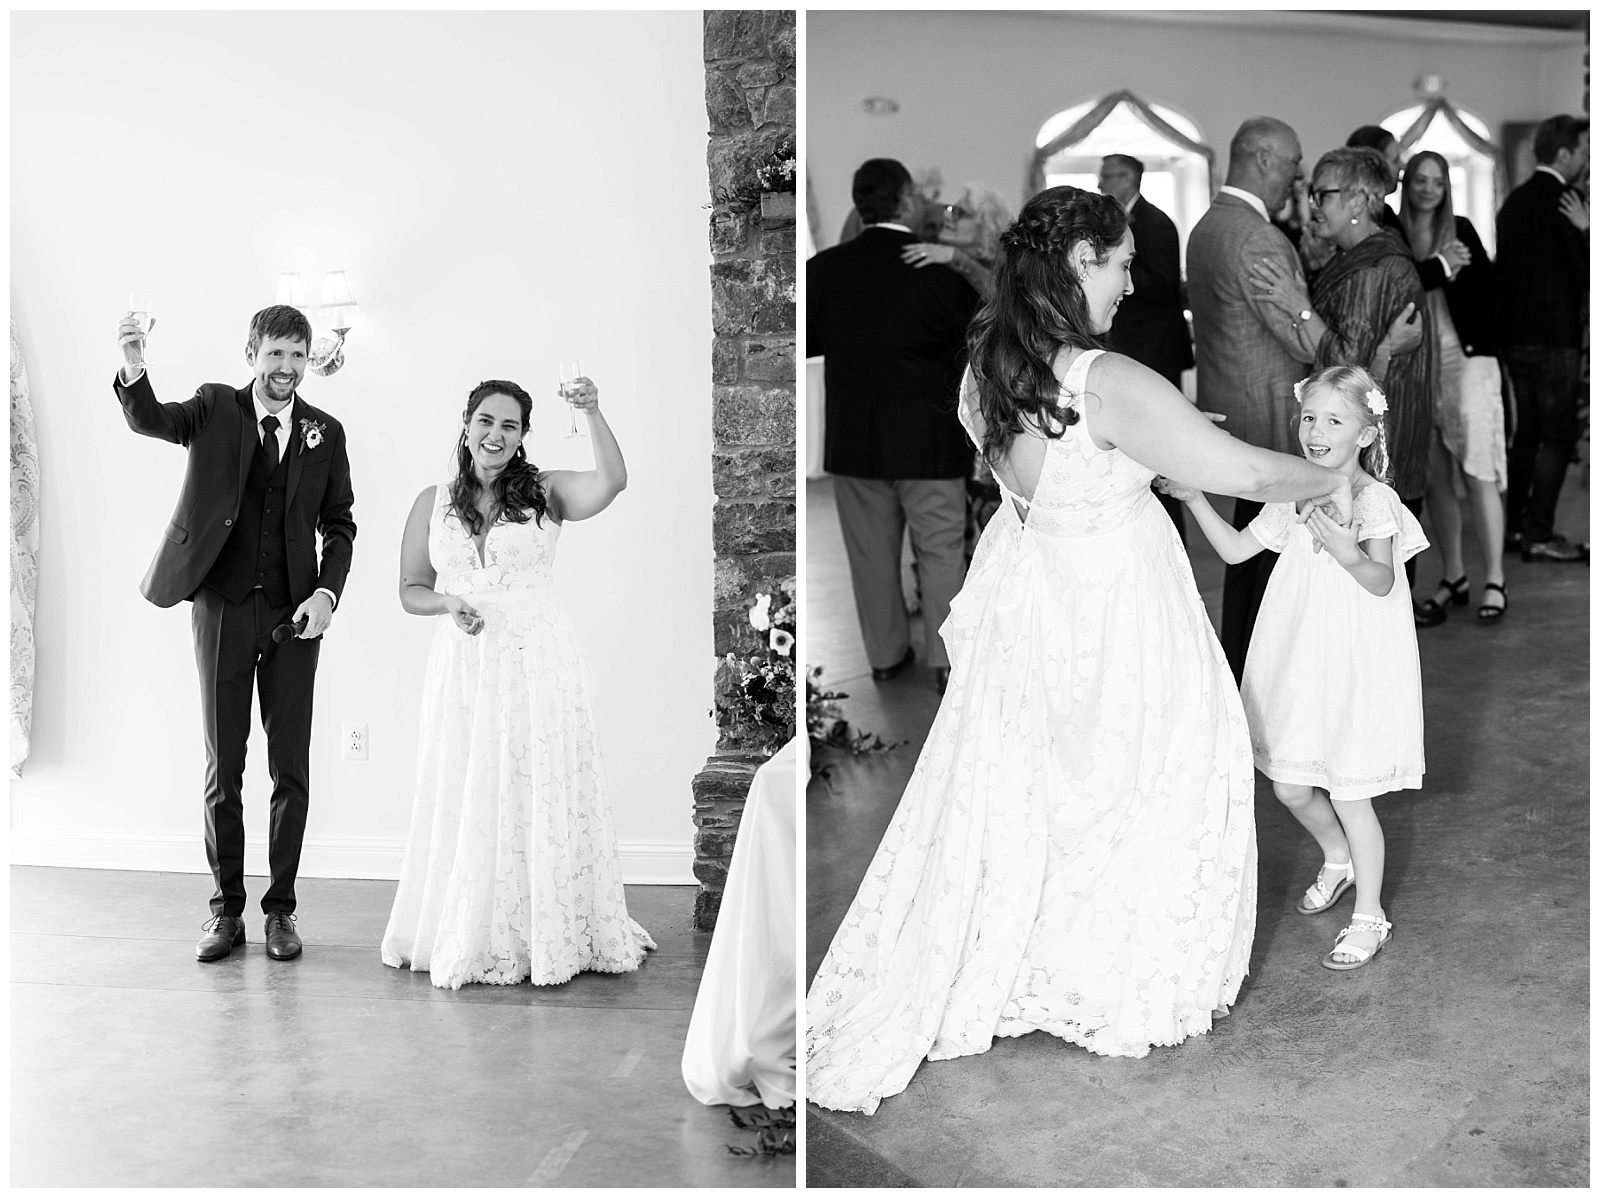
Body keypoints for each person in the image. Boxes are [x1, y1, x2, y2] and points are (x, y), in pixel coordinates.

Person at [806, 187, 1357, 1116]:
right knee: (1151, 768)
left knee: (1048, 782)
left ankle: (1036, 946)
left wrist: (1166, 443)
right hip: (1120, 607)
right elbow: (1256, 475)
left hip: (1040, 600)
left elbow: (1078, 461)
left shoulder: (986, 360)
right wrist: (1336, 472)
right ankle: (1110, 958)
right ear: (1079, 266)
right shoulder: (1106, 375)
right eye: (1120, 264)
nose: (1129, 282)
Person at [380, 378, 653, 989]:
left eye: (509, 425)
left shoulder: (547, 492)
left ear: (523, 436)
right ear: (466, 424)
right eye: (485, 420)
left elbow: (613, 481)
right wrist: (449, 602)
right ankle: (472, 924)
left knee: (535, 786)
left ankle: (546, 930)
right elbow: (409, 589)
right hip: (466, 670)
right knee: (471, 788)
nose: (494, 434)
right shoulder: (432, 501)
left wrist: (592, 410)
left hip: (538, 662)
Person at [1159, 365, 1426, 971]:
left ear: (1364, 434)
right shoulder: (1291, 495)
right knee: (1290, 784)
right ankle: (1338, 857)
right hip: (1302, 658)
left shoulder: (1374, 499)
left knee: (1352, 790)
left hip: (1355, 662)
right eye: (1309, 416)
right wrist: (1197, 497)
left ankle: (1370, 915)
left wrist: (1348, 553)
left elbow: (1383, 582)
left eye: (1335, 419)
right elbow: (1233, 550)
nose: (1316, 429)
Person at [113, 305, 356, 963]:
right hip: (220, 608)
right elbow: (151, 419)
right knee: (224, 767)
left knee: (291, 770)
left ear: (308, 360)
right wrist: (135, 367)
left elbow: (340, 525)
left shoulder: (324, 433)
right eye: (274, 354)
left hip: (293, 619)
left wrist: (327, 595)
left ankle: (281, 913)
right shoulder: (215, 407)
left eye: (296, 356)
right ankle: (225, 914)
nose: (285, 368)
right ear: (252, 351)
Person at [1187, 117, 1418, 680]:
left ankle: (1255, 668)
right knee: (1272, 567)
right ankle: (1273, 671)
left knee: (1262, 565)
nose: (1299, 183)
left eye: (1318, 188)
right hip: (1275, 414)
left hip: (1241, 408)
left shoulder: (1207, 226)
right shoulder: (1260, 237)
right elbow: (1317, 348)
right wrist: (1302, 307)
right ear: (1264, 159)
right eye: (1295, 168)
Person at [809, 158, 982, 694]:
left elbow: (810, 344)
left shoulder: (825, 270)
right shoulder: (937, 272)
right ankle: (947, 663)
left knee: (870, 559)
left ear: (860, 205)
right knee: (940, 553)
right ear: (907, 200)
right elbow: (983, 336)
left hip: (856, 441)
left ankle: (885, 659)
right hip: (930, 444)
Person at [1250, 146, 1436, 598]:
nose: (1312, 206)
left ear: (1358, 200)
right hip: (1361, 429)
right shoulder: (1355, 258)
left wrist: (1299, 307)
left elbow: (1346, 363)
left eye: (1322, 195)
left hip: (1371, 435)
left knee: (1371, 573)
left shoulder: (1375, 268)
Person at [1399, 151, 1508, 623]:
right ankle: (1455, 575)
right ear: (1408, 184)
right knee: (1436, 476)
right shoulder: (1395, 234)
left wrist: (1457, 270)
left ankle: (1496, 578)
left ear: (1447, 187)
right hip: (1419, 365)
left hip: (1468, 362)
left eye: (1437, 181)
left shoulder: (1460, 229)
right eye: (1420, 180)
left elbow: (1492, 296)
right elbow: (1396, 290)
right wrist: (1439, 267)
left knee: (1478, 471)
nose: (1428, 188)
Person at [1497, 113, 1590, 562]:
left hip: (1516, 337)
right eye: (1584, 153)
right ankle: (1538, 532)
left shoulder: (1512, 202)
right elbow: (1587, 275)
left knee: (1526, 436)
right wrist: (1588, 232)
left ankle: (1513, 528)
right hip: (1555, 339)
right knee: (1556, 437)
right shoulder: (1568, 201)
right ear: (1566, 153)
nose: (1586, 161)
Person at [1100, 152, 1196, 543]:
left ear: (1129, 178)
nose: (1101, 181)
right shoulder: (1119, 223)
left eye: (1107, 175)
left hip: (1153, 351)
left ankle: (1170, 536)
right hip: (1134, 347)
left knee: (1160, 450)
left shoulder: (1154, 223)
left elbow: (1164, 287)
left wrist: (1119, 263)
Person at [899, 182, 1013, 300]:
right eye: (951, 209)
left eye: (959, 213)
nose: (947, 217)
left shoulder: (1007, 269)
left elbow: (1004, 301)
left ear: (986, 227)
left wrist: (957, 258)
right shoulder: (932, 257)